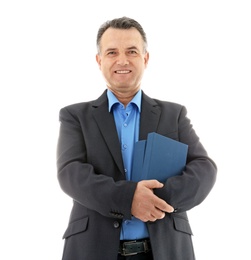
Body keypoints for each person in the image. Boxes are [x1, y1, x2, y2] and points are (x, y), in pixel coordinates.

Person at [56, 16, 217, 260]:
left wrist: (152, 201)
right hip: (93, 249)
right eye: (112, 52)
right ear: (99, 61)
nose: (122, 60)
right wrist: (128, 199)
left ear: (145, 58)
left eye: (131, 51)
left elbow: (204, 169)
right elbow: (71, 173)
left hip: (165, 250)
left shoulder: (174, 115)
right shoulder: (75, 116)